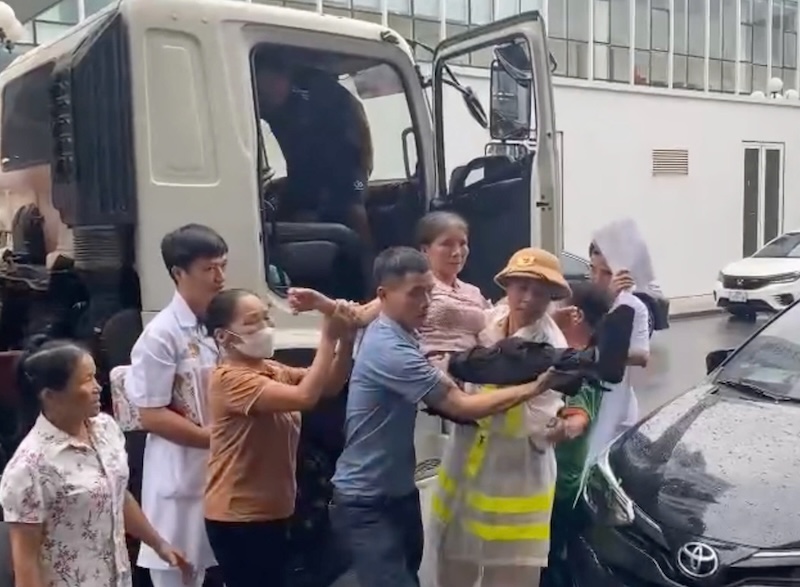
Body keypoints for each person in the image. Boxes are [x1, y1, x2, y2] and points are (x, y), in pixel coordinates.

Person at [328, 246, 555, 587]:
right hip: (369, 499)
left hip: (403, 491)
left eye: (429, 292)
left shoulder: (411, 330)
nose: (425, 302)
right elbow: (460, 405)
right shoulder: (393, 349)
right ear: (384, 295)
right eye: (415, 294)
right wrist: (535, 387)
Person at [0, 338, 192, 587]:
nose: (97, 387)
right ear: (50, 396)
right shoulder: (30, 467)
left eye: (95, 376)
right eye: (85, 380)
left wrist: (159, 544)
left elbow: (117, 494)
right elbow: (25, 562)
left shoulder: (106, 429)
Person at [432, 247, 570, 587]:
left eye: (538, 291)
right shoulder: (489, 320)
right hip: (466, 473)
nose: (526, 298)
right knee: (453, 568)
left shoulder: (549, 348)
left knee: (510, 576)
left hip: (515, 480)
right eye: (519, 286)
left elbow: (534, 423)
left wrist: (463, 406)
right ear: (506, 287)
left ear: (552, 297)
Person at [202, 289, 356, 587]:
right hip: (240, 518)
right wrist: (327, 337)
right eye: (252, 323)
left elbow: (328, 385)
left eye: (266, 318)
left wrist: (345, 340)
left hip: (275, 512)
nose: (265, 328)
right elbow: (305, 396)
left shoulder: (270, 369)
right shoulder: (230, 379)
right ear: (224, 337)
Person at [126, 224, 228, 587]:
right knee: (180, 573)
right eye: (208, 269)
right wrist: (212, 438)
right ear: (178, 273)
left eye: (222, 266)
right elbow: (150, 414)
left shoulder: (214, 326)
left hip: (220, 475)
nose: (219, 277)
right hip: (180, 477)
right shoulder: (161, 335)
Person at [254, 51, 373, 245]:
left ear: (282, 77)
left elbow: (350, 161)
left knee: (353, 205)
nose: (261, 101)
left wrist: (315, 207)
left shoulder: (321, 97)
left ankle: (368, 263)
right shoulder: (279, 107)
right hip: (308, 173)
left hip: (348, 170)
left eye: (263, 93)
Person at [543, 283, 614, 587]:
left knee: (550, 566)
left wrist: (540, 432)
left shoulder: (580, 366)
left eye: (559, 307)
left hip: (560, 488)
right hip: (567, 483)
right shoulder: (588, 357)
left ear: (576, 316)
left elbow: (577, 421)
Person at [585, 242, 650, 463]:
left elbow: (641, 355)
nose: (598, 278)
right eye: (593, 270)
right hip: (583, 401)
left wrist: (605, 352)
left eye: (606, 273)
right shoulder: (582, 300)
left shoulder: (633, 307)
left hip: (617, 405)